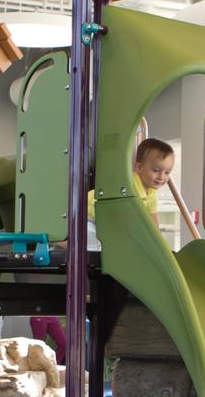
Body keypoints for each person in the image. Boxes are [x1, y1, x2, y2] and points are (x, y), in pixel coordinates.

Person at [34, 138, 179, 351]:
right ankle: (59, 243)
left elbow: (152, 223)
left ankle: (64, 242)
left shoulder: (151, 192)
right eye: (156, 170)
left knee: (101, 244)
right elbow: (131, 223)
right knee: (95, 245)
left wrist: (162, 249)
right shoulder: (131, 188)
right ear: (138, 168)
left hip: (100, 221)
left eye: (167, 172)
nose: (161, 177)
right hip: (86, 217)